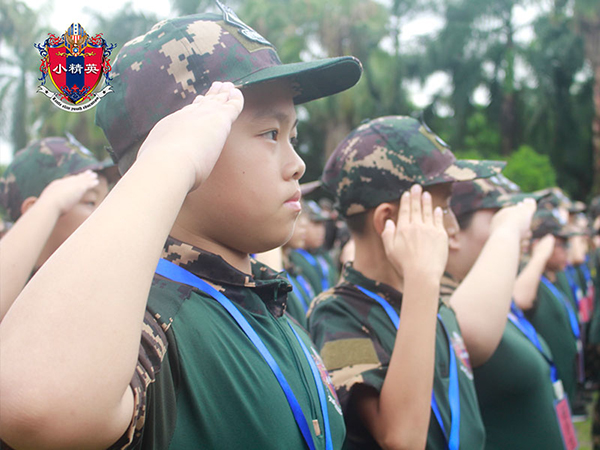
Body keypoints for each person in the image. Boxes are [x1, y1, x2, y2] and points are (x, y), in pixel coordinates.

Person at [0, 4, 362, 449]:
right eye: (271, 133)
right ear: (186, 144)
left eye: (293, 136)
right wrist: (170, 160)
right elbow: (34, 404)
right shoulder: (144, 318)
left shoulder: (265, 300)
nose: (298, 164)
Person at [308, 115, 504, 449]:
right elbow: (402, 438)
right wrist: (422, 279)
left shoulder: (434, 304)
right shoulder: (335, 315)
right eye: (443, 209)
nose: (453, 228)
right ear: (388, 220)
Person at [443, 176, 572, 449]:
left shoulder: (490, 296)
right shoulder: (442, 303)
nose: (524, 230)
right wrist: (508, 229)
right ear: (452, 233)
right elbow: (465, 332)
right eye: (497, 215)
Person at [0, 136, 114, 321]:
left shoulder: (103, 279)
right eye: (90, 201)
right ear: (35, 211)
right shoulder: (19, 298)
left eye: (108, 199)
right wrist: (50, 203)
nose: (106, 210)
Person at [515, 208, 581, 412]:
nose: (567, 250)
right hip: (546, 384)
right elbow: (520, 299)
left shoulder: (553, 276)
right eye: (560, 245)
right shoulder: (528, 276)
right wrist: (539, 256)